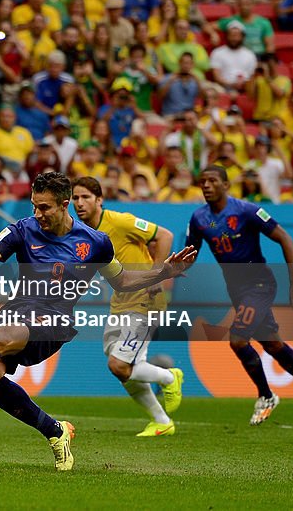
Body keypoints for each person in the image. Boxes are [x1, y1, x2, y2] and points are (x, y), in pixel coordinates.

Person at [0, 172, 197, 471]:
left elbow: (123, 280)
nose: (37, 213)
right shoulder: (24, 228)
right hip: (17, 310)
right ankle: (55, 431)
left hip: (55, 320)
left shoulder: (96, 242)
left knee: (0, 340)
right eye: (34, 205)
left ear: (64, 205)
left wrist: (164, 272)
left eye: (45, 207)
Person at [187, 166, 293, 426]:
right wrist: (173, 269)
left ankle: (266, 396)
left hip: (259, 284)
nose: (207, 185)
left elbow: (285, 238)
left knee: (237, 339)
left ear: (226, 184)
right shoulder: (199, 218)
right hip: (236, 290)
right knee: (273, 344)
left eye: (212, 181)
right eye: (202, 182)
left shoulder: (247, 211)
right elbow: (191, 253)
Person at [72, 177, 183, 437]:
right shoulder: (83, 233)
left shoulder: (120, 221)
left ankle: (170, 377)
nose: (79, 203)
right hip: (121, 302)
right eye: (75, 198)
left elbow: (164, 235)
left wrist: (158, 275)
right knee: (124, 371)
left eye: (85, 197)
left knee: (119, 364)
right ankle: (161, 421)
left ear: (99, 200)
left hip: (146, 300)